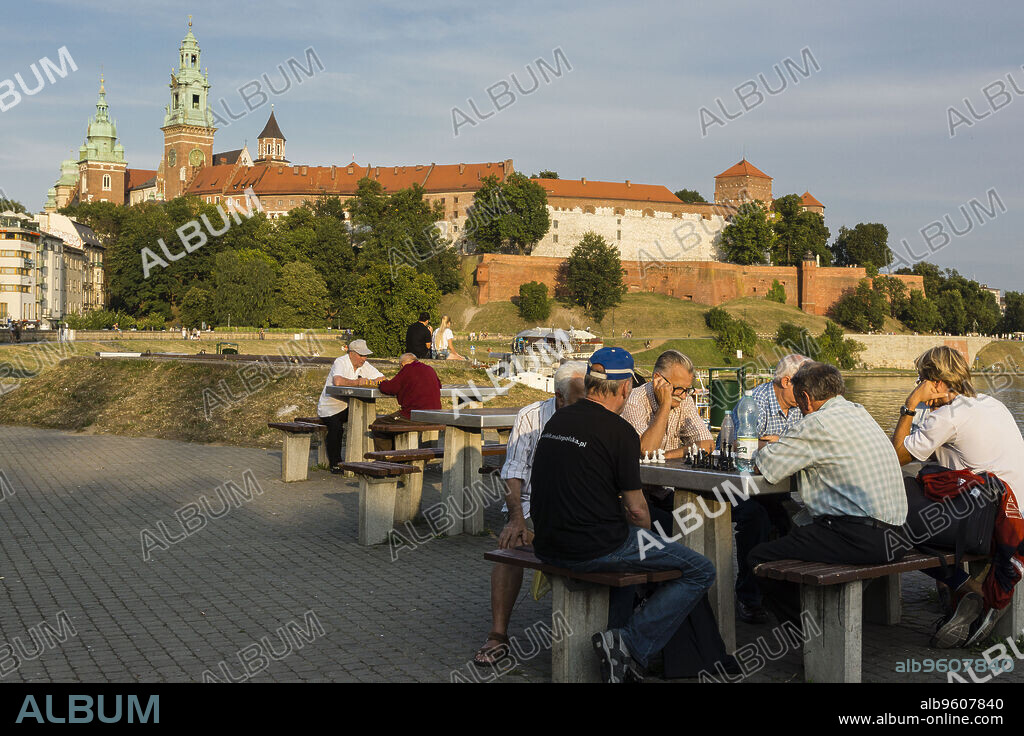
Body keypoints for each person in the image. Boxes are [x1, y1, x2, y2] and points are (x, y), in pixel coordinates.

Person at [530, 347, 717, 683]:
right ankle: (628, 642)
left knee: (636, 557)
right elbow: (636, 509)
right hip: (594, 548)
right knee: (700, 569)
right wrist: (646, 542)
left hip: (547, 542)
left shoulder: (558, 419)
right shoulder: (619, 432)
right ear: (625, 388)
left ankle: (620, 648)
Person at [749, 362, 909, 626]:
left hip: (861, 538)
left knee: (759, 557)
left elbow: (765, 466)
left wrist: (769, 445)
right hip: (899, 534)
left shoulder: (817, 422)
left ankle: (813, 629)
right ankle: (819, 617)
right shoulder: (860, 412)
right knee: (795, 530)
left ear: (806, 398)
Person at [891, 345, 1024, 647]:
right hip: (1014, 516)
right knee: (925, 497)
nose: (917, 385)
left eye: (920, 379)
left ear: (936, 383)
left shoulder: (946, 418)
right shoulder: (990, 403)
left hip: (988, 524)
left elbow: (895, 455)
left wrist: (910, 406)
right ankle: (954, 598)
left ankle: (968, 589)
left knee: (892, 527)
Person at [473, 361, 588, 666]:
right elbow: (513, 474)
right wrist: (516, 518)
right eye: (579, 400)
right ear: (559, 398)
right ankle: (498, 634)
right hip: (533, 506)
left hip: (578, 510)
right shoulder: (532, 417)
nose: (586, 405)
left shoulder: (593, 417)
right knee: (510, 543)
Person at [728, 353, 812, 625]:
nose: (807, 389)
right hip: (739, 485)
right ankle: (748, 598)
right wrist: (781, 445)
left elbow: (808, 444)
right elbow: (746, 451)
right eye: (803, 382)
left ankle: (787, 596)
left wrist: (777, 442)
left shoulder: (802, 402)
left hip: (776, 485)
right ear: (787, 381)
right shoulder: (756, 404)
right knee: (757, 521)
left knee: (799, 518)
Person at [622, 350, 713, 460]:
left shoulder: (685, 399)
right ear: (657, 378)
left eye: (687, 389)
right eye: (678, 388)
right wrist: (665, 405)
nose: (683, 396)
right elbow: (646, 450)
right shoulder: (634, 401)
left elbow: (708, 444)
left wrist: (666, 455)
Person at [316, 339, 384, 473]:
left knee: (368, 420)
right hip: (330, 407)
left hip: (349, 407)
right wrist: (357, 382)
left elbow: (382, 378)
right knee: (336, 428)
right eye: (361, 355)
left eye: (365, 355)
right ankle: (335, 463)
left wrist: (371, 381)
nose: (364, 358)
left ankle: (365, 459)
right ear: (351, 353)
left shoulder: (364, 364)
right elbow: (338, 381)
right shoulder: (340, 362)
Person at [371, 353, 441, 451]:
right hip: (435, 415)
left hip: (414, 415)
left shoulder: (407, 369)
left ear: (402, 364)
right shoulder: (429, 369)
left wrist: (380, 383)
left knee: (378, 425)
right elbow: (439, 385)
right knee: (393, 424)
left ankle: (386, 460)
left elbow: (390, 388)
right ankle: (395, 456)